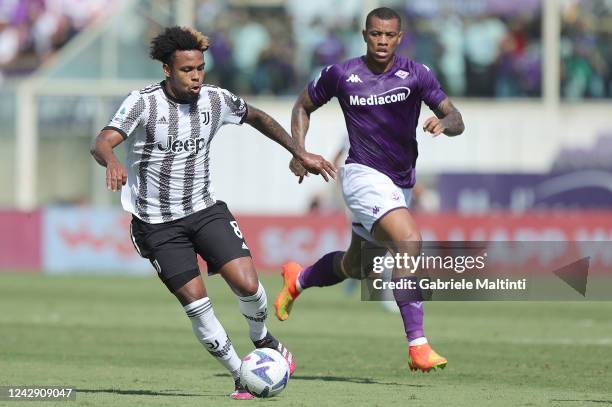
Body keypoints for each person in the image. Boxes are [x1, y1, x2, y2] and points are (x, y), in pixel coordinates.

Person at [90, 26, 336, 399]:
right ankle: (241, 374)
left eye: (200, 68)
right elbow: (103, 141)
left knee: (248, 284)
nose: (196, 77)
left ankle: (262, 338)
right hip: (157, 225)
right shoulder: (142, 103)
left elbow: (256, 117)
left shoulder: (215, 100)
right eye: (187, 70)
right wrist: (111, 161)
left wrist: (297, 151)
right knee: (198, 304)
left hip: (204, 209)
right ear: (167, 70)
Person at [274, 7, 465, 372]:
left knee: (357, 266)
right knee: (408, 240)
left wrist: (445, 122)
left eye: (388, 35)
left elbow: (456, 118)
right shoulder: (342, 74)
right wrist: (299, 150)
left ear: (399, 38)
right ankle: (418, 346)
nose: (381, 40)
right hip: (361, 174)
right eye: (375, 34)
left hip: (399, 182)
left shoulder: (417, 74)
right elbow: (303, 105)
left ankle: (298, 279)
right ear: (365, 35)